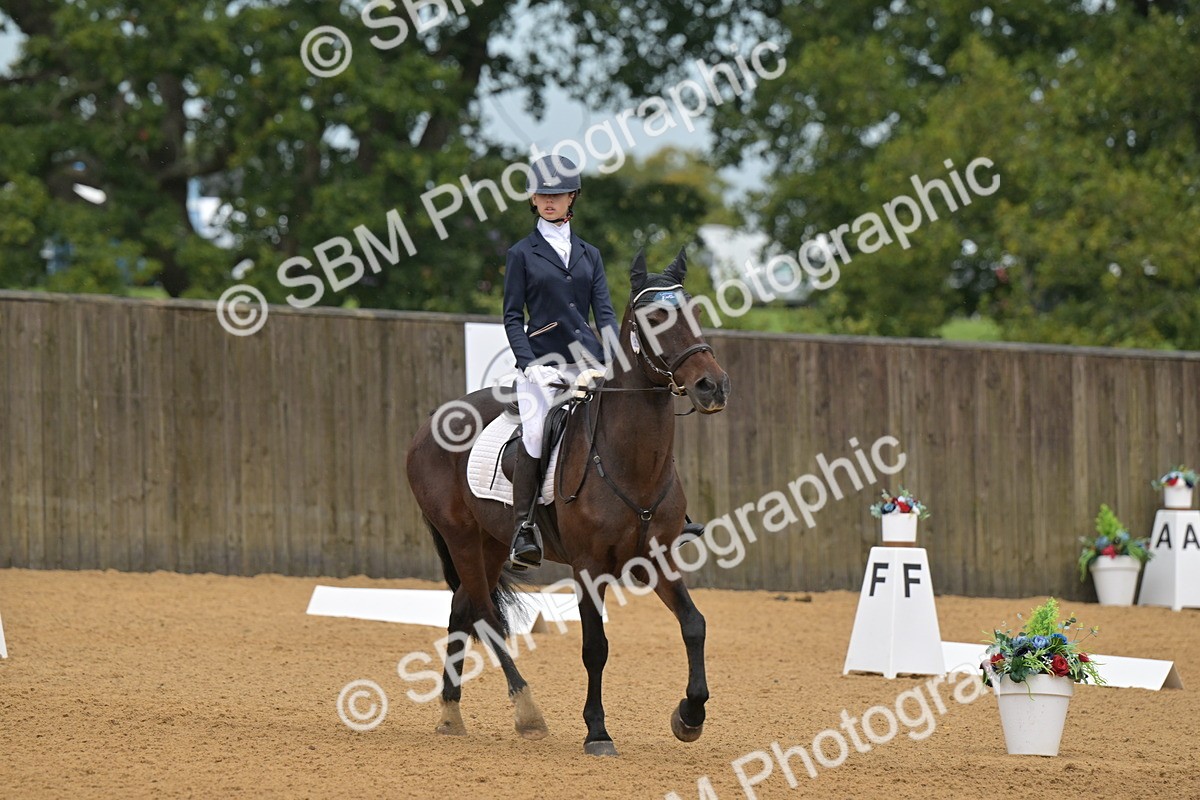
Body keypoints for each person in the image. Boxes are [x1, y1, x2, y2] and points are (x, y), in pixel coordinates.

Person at [502, 155, 619, 569]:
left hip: (588, 363)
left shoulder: (590, 254)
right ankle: (523, 529)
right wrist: (529, 363)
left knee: (629, 422)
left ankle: (667, 514)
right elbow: (512, 317)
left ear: (573, 198)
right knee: (535, 434)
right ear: (533, 200)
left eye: (558, 194)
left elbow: (604, 313)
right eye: (542, 195)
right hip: (542, 366)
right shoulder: (521, 253)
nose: (549, 201)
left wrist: (614, 358)